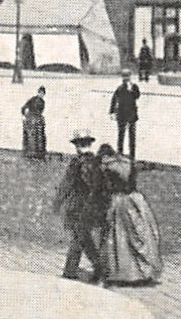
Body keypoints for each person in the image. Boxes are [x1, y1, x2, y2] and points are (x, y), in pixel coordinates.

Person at [97, 143, 163, 285]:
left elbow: (106, 187)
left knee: (118, 236)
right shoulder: (128, 162)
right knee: (140, 233)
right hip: (136, 200)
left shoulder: (105, 166)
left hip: (119, 201)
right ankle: (144, 271)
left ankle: (124, 273)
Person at [55, 128, 107, 283]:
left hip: (77, 206)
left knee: (78, 238)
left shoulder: (76, 163)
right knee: (84, 238)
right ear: (90, 144)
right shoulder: (97, 162)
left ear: (77, 145)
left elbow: (67, 184)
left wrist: (58, 201)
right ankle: (99, 267)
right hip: (92, 207)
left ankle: (70, 272)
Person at [109, 70, 141, 162]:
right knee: (121, 135)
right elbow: (114, 99)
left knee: (132, 136)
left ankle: (132, 155)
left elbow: (137, 96)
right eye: (124, 77)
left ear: (130, 77)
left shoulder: (134, 87)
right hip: (122, 114)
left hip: (131, 114)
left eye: (127, 76)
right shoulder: (120, 88)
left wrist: (132, 90)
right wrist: (111, 111)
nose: (126, 78)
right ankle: (120, 153)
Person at [21, 85, 48, 160]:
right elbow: (24, 107)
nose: (41, 95)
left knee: (40, 136)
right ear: (38, 92)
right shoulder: (32, 99)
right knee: (31, 136)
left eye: (43, 93)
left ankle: (39, 154)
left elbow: (41, 112)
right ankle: (29, 154)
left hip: (38, 120)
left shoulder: (43, 102)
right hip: (30, 119)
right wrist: (24, 116)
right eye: (40, 93)